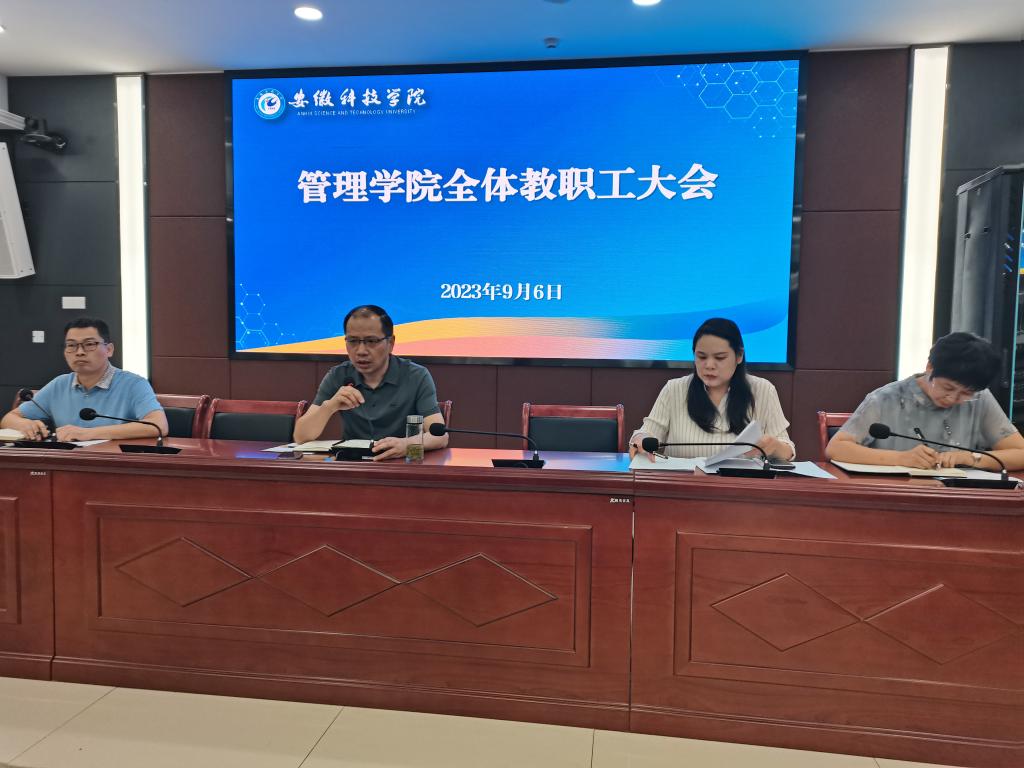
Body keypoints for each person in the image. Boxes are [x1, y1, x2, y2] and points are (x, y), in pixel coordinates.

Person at [826, 332, 1024, 471]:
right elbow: (836, 448)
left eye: (966, 393)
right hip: (894, 498)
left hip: (959, 500)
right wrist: (901, 459)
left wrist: (971, 458)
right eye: (948, 388)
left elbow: (1020, 453)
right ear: (930, 367)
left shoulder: (980, 399)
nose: (953, 398)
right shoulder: (886, 398)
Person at [293, 304, 448, 460]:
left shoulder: (416, 376)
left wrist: (406, 444)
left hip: (399, 463)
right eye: (353, 341)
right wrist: (330, 406)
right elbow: (300, 437)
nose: (361, 351)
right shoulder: (338, 375)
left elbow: (440, 436)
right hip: (352, 465)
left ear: (391, 343)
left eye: (371, 341)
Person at [629, 317, 795, 461]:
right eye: (701, 357)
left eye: (719, 358)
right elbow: (645, 434)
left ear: (739, 356)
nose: (709, 365)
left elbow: (788, 450)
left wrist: (775, 446)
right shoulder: (674, 389)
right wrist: (641, 439)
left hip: (741, 486)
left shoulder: (763, 390)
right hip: (684, 484)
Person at [1, 317, 167, 442]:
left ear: (109, 349)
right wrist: (25, 425)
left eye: (89, 344)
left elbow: (158, 425)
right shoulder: (59, 385)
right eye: (72, 345)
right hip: (66, 464)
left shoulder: (134, 384)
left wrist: (88, 433)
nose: (79, 352)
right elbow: (9, 419)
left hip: (114, 464)